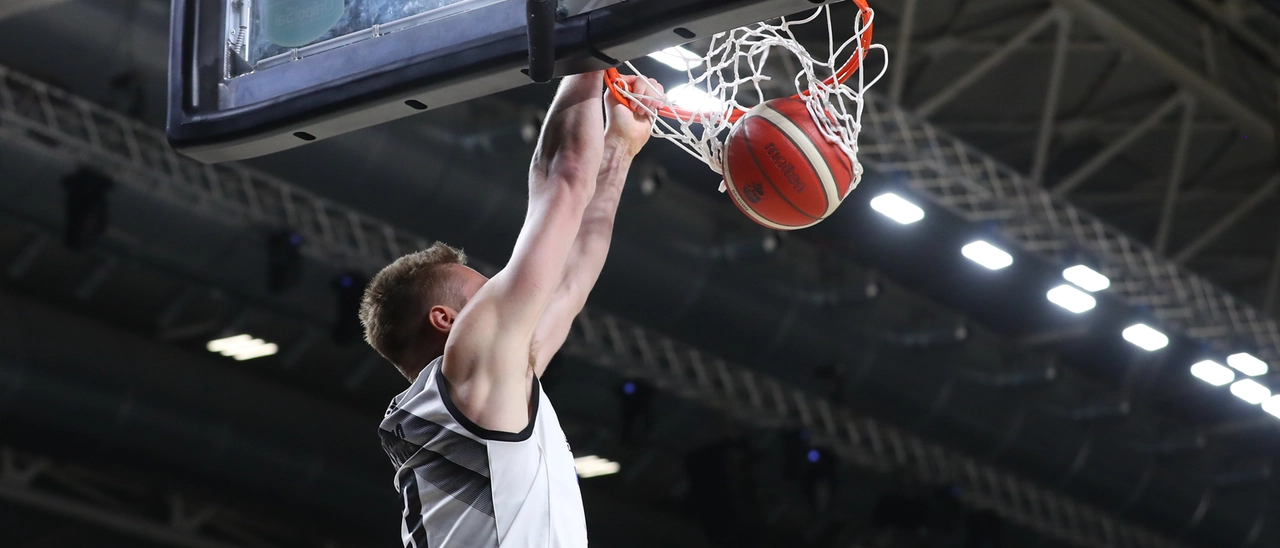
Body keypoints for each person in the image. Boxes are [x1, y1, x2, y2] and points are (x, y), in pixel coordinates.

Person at [360, 72, 662, 548]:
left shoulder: (477, 390)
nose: (512, 296)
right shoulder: (471, 372)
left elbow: (570, 280)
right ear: (449, 321)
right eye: (485, 293)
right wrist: (584, 53)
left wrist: (620, 148)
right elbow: (561, 179)